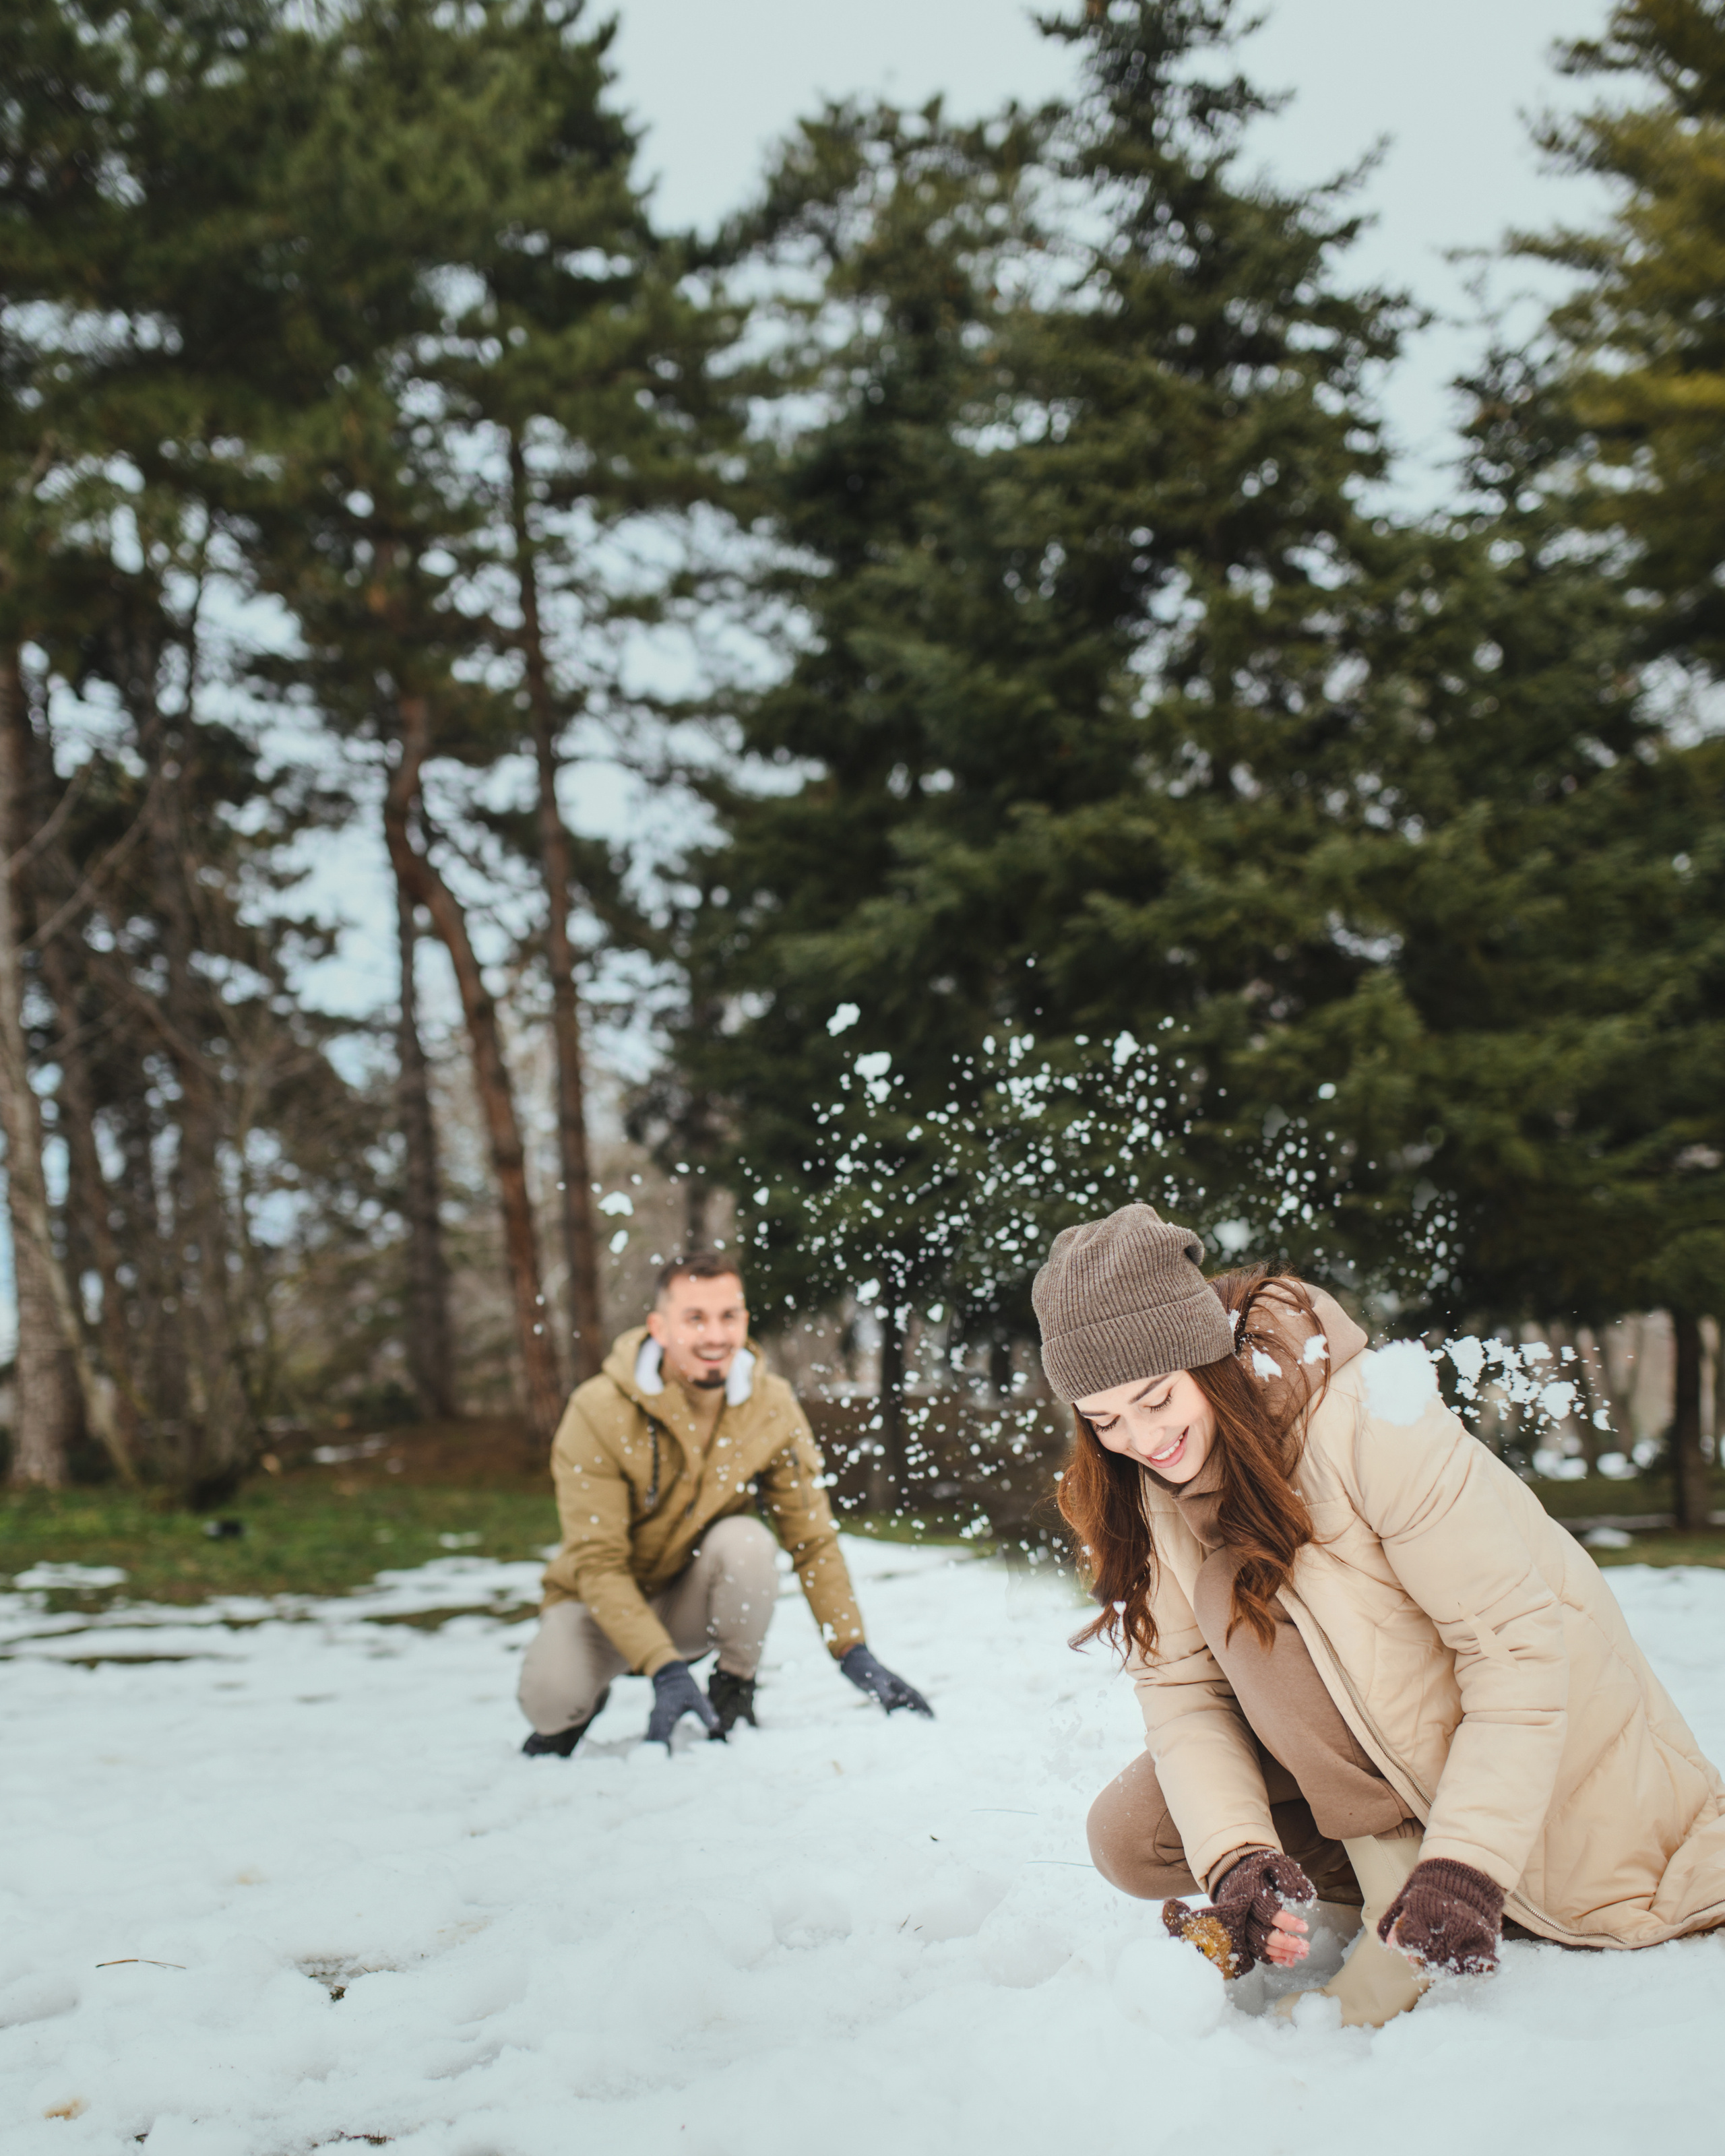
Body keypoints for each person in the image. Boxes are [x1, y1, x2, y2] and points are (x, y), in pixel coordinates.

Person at [1032, 1203, 1725, 2027]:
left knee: (1263, 1603)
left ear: (1204, 1357)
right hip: (1375, 1745)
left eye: (1155, 1399)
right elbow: (1184, 1693)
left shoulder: (1372, 1420)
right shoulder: (1150, 1483)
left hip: (1529, 1731)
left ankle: (1421, 1876)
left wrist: (1468, 1859)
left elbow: (1516, 1652)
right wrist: (1236, 1857)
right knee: (1133, 1835)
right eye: (1104, 1419)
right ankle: (1369, 1876)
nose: (1143, 1439)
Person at [517, 1250, 932, 1754]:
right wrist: (664, 1668)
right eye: (695, 1318)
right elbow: (598, 1563)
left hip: (690, 1601)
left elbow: (812, 1540)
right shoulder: (598, 1409)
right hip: (599, 1608)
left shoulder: (770, 1405)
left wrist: (852, 1650)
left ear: (744, 1321)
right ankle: (588, 1698)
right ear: (659, 1327)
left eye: (728, 1316)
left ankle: (734, 1685)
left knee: (748, 1541)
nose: (715, 1336)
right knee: (550, 1701)